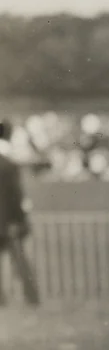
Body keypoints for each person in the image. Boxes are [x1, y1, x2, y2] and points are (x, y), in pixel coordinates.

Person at [0, 121, 39, 307]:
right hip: (9, 223)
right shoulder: (8, 164)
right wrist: (21, 220)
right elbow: (15, 196)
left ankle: (2, 301)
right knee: (20, 261)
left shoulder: (8, 163)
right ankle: (32, 298)